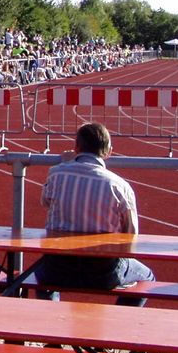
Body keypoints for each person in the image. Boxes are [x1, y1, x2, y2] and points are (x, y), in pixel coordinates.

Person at [35, 122, 154, 306]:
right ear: (109, 152)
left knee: (41, 274)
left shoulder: (56, 174)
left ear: (76, 147)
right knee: (147, 278)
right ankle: (120, 319)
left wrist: (65, 164)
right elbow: (131, 236)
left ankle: (52, 313)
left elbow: (45, 201)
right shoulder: (120, 187)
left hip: (57, 268)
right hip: (103, 273)